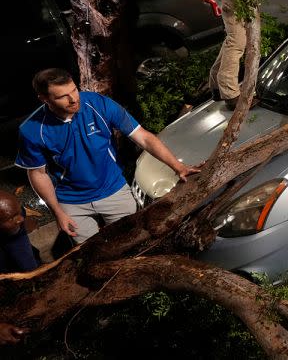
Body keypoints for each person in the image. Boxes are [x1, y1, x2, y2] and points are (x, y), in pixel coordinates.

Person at [15, 69, 200, 244]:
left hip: (113, 189)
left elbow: (143, 137)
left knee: (130, 242)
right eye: (63, 96)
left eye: (74, 90)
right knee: (91, 252)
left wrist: (178, 167)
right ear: (44, 98)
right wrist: (57, 212)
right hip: (71, 201)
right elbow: (38, 174)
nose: (73, 99)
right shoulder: (32, 130)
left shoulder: (99, 104)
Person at [0, 189, 38, 273]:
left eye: (19, 213)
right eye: (12, 218)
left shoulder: (13, 210)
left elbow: (23, 253)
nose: (21, 219)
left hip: (12, 235)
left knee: (29, 266)